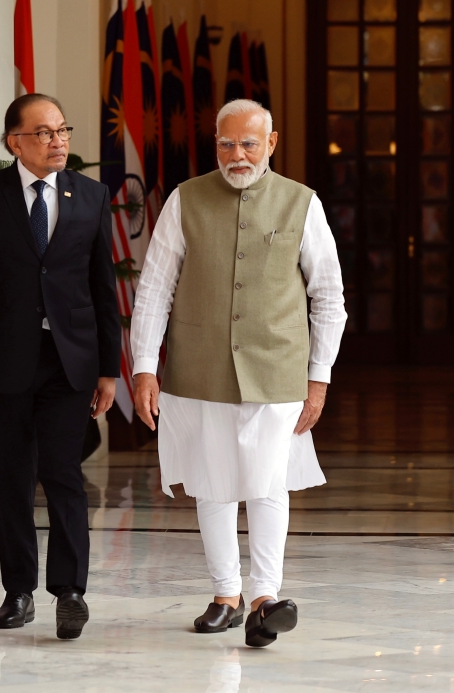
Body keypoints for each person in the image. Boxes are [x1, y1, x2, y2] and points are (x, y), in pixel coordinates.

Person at [130, 99, 346, 647]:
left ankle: (265, 597)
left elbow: (328, 296)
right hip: (196, 367)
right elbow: (154, 288)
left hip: (277, 368)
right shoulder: (186, 199)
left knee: (269, 481)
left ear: (271, 144)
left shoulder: (302, 203)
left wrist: (318, 378)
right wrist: (144, 368)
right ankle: (225, 595)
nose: (237, 154)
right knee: (212, 481)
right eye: (226, 144)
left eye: (249, 143)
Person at [0, 93, 121, 640]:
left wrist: (108, 370)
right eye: (44, 133)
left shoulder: (90, 196)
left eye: (63, 130)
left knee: (63, 472)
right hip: (5, 358)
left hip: (71, 362)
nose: (58, 141)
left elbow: (102, 289)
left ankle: (70, 592)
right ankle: (17, 591)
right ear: (14, 141)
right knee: (14, 477)